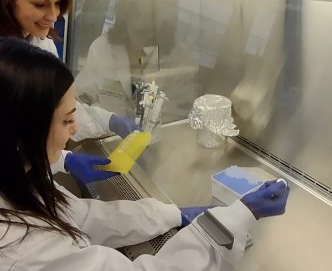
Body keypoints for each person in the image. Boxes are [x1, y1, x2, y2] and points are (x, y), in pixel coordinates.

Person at [0, 37, 290, 270]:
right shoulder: (22, 249)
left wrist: (170, 214)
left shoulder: (16, 180)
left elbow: (79, 217)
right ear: (22, 132)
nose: (75, 128)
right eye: (66, 120)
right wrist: (235, 220)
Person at [0, 0, 141, 183]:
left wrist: (108, 121)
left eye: (58, 3)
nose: (53, 16)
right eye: (40, 4)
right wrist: (61, 160)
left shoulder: (40, 42)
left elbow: (56, 108)